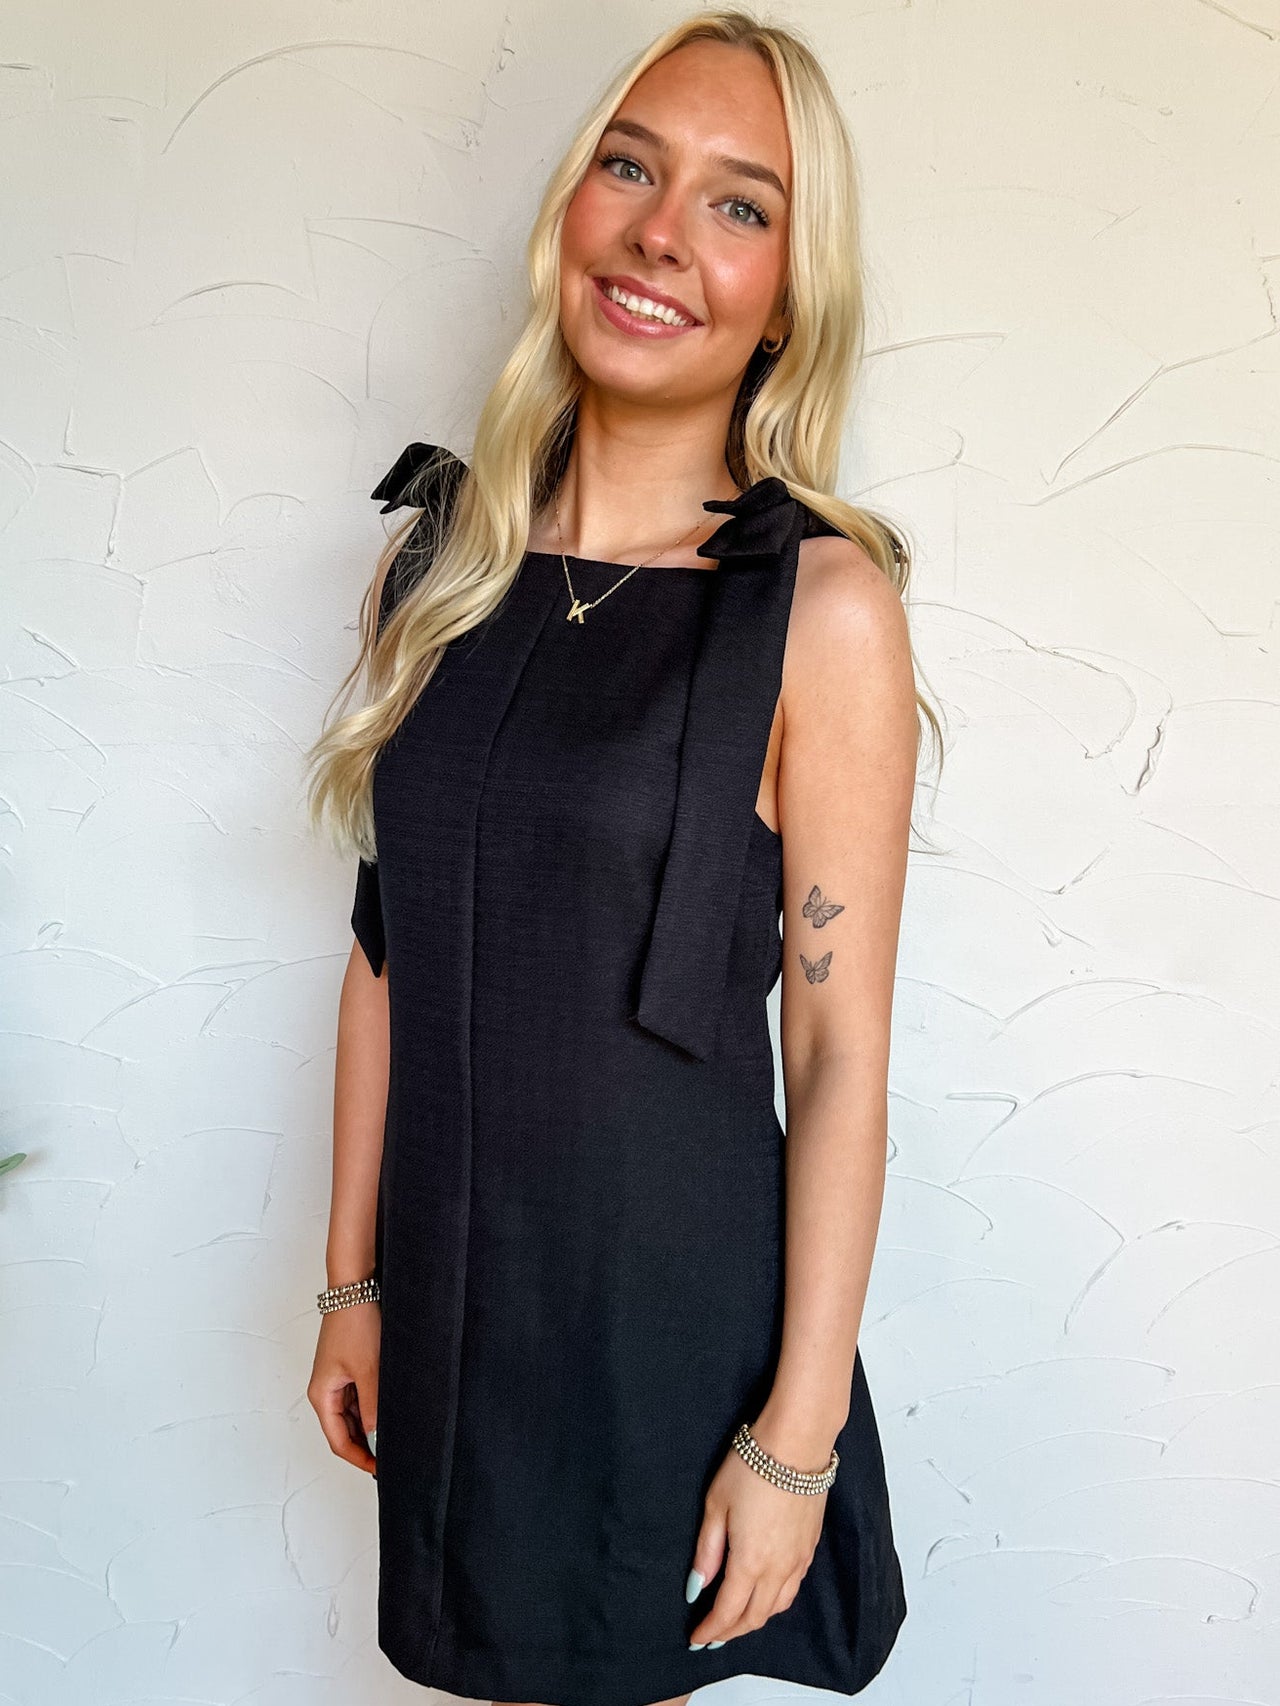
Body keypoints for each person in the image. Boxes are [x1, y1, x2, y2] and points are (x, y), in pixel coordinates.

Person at [305, 11, 938, 1706]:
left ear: (793, 293)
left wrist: (796, 1439)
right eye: (632, 167)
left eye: (742, 205)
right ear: (573, 211)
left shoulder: (822, 611)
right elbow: (383, 952)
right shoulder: (433, 568)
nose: (665, 232)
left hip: (663, 1326)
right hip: (450, 1297)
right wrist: (351, 1277)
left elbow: (841, 1045)